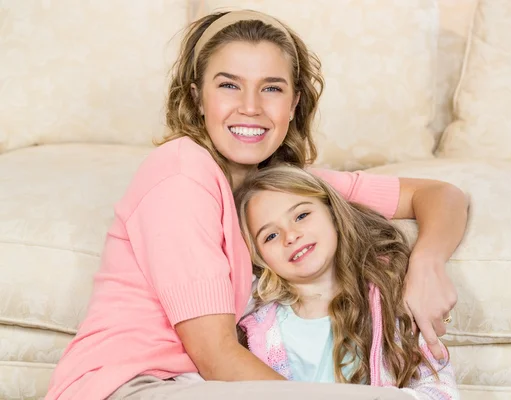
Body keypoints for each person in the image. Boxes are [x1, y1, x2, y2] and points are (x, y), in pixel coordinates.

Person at [46, 9, 468, 400]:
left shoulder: (287, 188)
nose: (250, 107)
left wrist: (426, 265)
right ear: (197, 98)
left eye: (271, 88)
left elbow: (441, 195)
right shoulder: (180, 174)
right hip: (134, 385)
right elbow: (216, 357)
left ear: (294, 103)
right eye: (229, 85)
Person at [229, 165, 459, 399]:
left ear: (332, 213)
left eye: (301, 216)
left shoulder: (388, 298)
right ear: (257, 257)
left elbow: (440, 385)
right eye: (270, 236)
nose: (291, 236)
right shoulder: (259, 328)